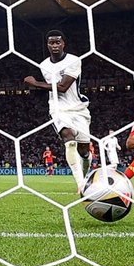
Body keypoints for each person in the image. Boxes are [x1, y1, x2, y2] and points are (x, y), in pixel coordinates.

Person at [24, 30, 92, 193]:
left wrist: (35, 84)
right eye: (51, 43)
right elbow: (52, 90)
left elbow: (62, 87)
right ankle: (80, 184)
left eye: (57, 42)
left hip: (78, 108)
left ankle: (85, 176)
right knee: (68, 136)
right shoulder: (44, 65)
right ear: (47, 45)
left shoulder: (74, 61)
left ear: (64, 44)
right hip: (58, 108)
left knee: (84, 150)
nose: (54, 45)